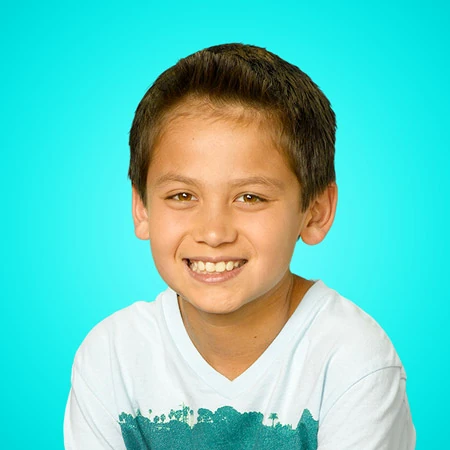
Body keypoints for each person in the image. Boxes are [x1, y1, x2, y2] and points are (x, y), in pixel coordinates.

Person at [63, 43, 416, 449]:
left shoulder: (353, 359)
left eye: (250, 197)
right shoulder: (111, 356)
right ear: (141, 209)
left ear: (315, 212)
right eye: (182, 196)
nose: (214, 233)